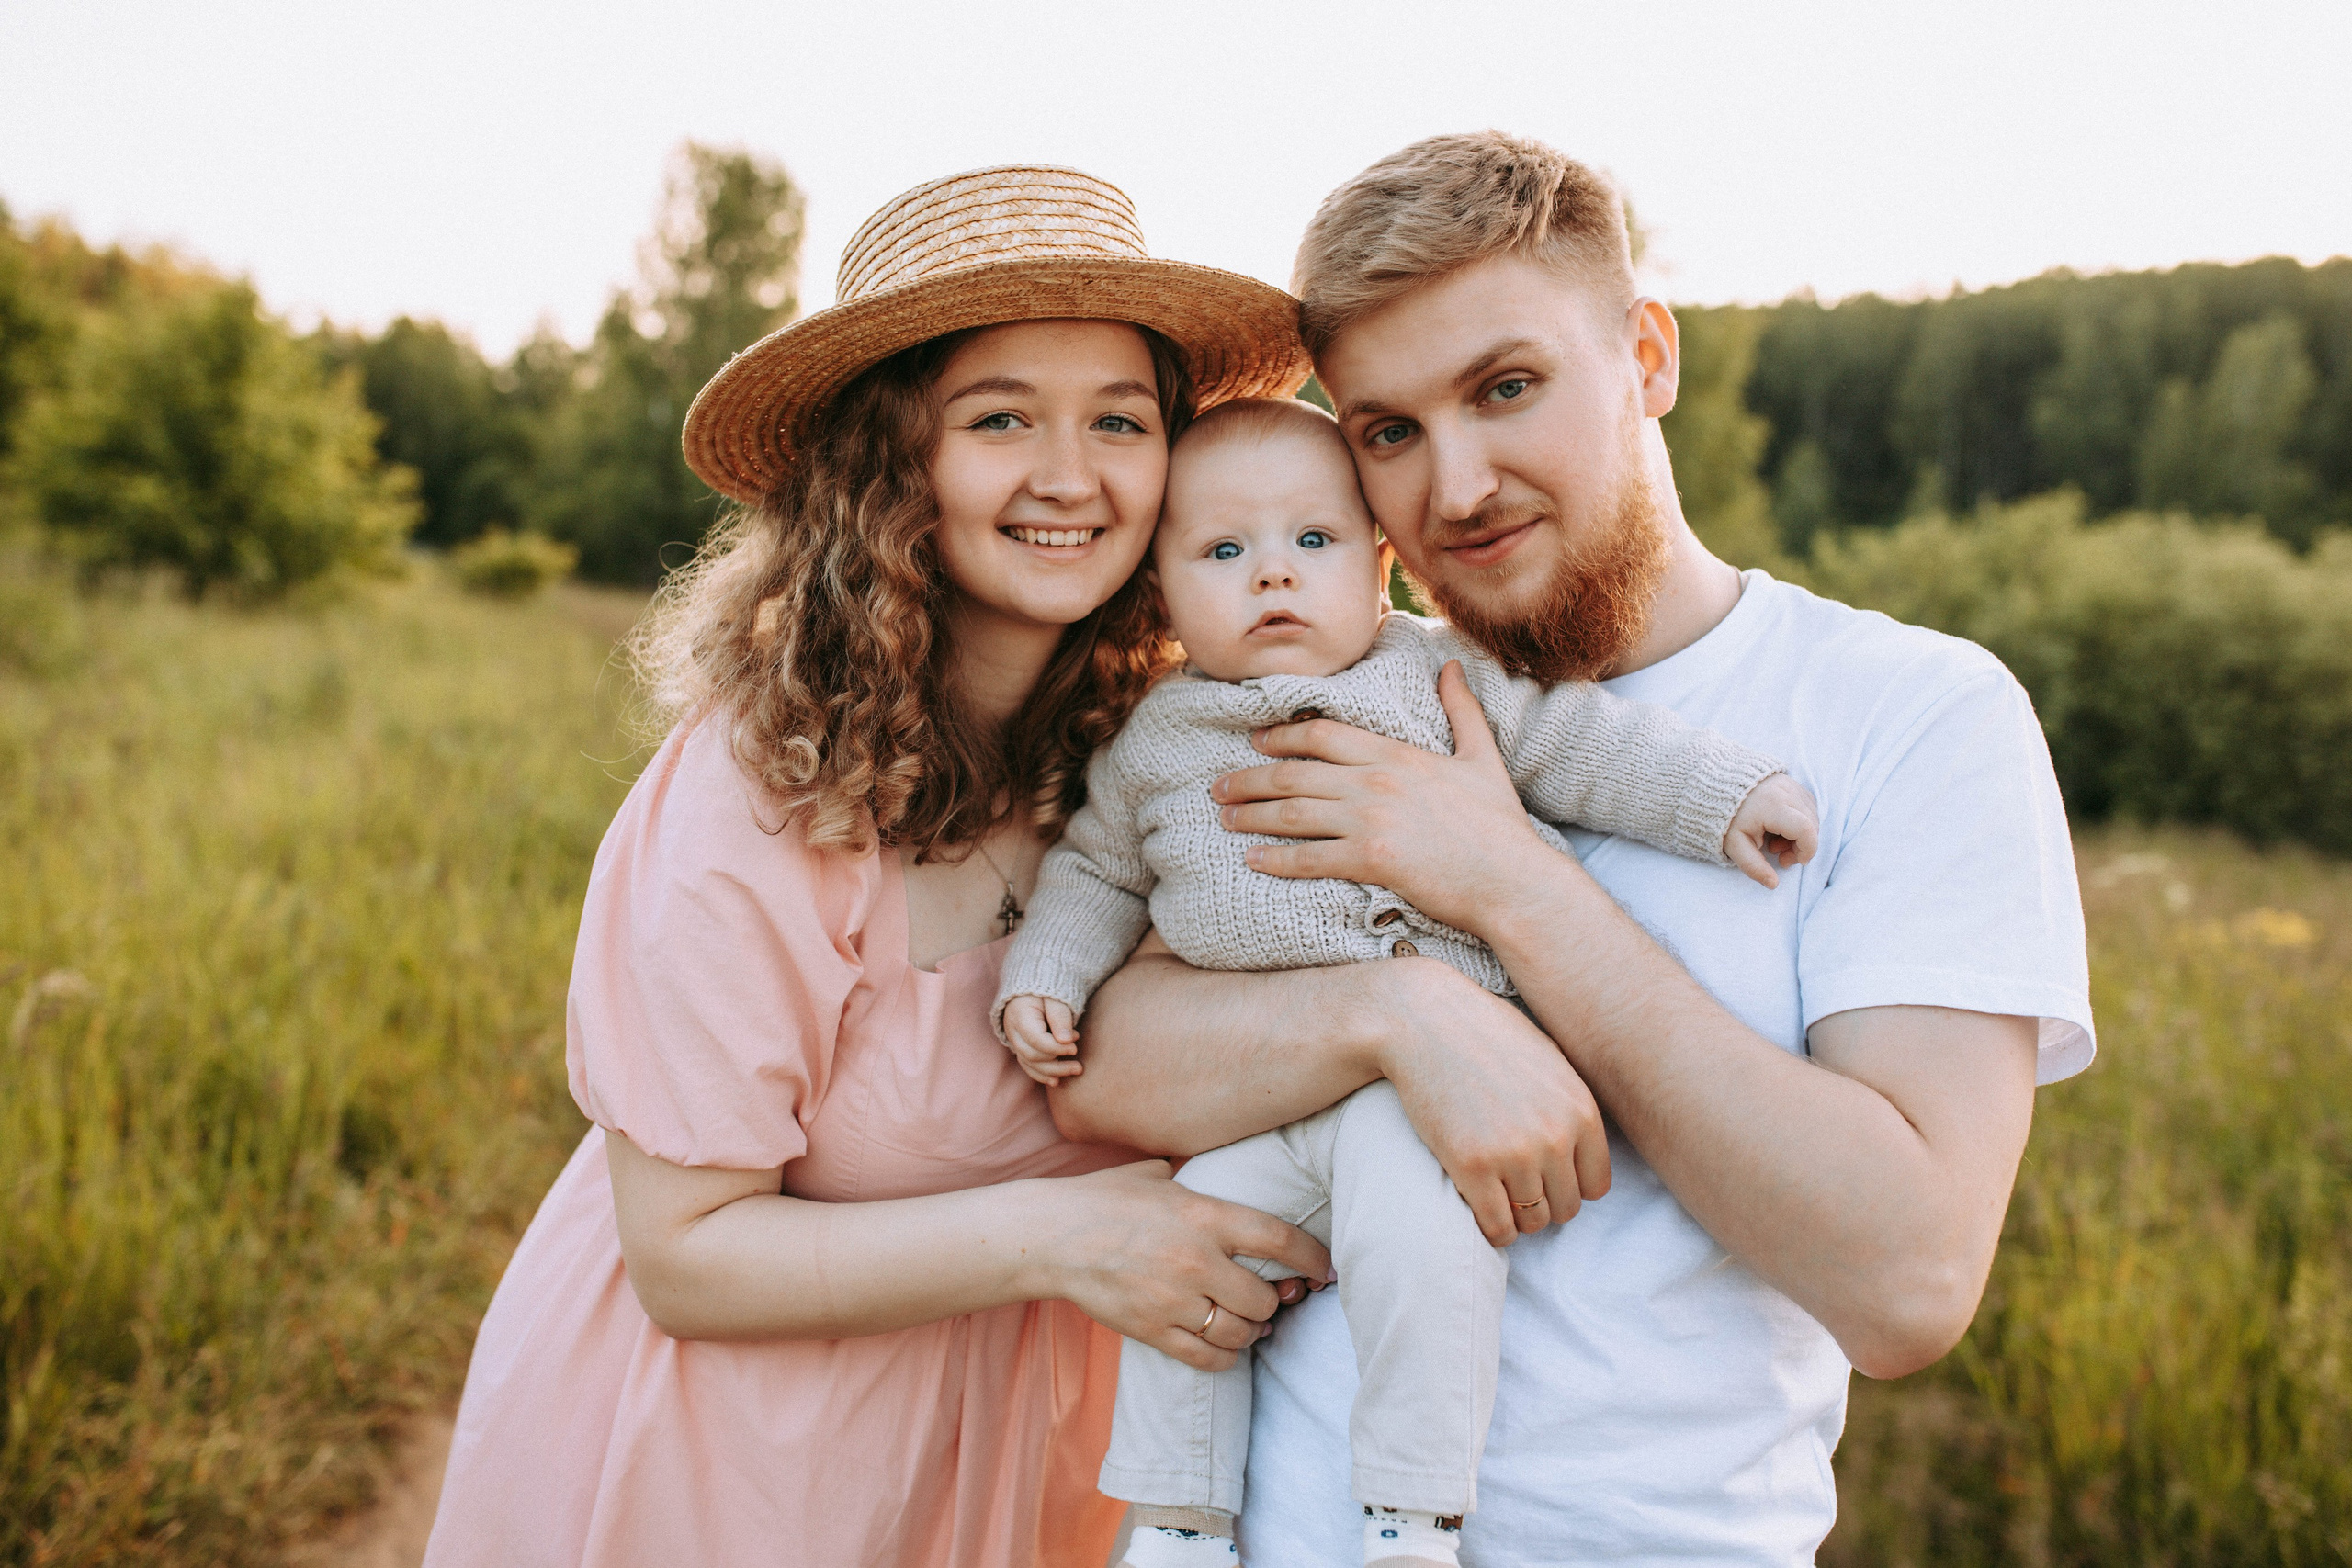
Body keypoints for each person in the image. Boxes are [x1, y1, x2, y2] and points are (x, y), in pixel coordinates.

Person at [1053, 132, 2096, 1567]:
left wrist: (1504, 882)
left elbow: (1906, 1274)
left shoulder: (1907, 716)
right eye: (1389, 431)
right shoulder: (1312, 698)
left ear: (1648, 357)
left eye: (1507, 387)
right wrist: (1399, 1009)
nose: (1459, 482)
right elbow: (1103, 1062)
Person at [420, 164, 1333, 1568]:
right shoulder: (764, 788)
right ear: (890, 456)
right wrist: (1058, 1236)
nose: (1069, 475)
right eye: (999, 418)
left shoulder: (1153, 749)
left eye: (1120, 420)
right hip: (741, 1466)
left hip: (1025, 1464)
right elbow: (686, 1253)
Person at [994, 395, 1817, 1567]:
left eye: (1311, 543)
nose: (1271, 577)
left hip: (1416, 1097)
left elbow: (1581, 746)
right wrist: (1047, 978)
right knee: (1186, 1261)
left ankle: (1408, 1516)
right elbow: (1094, 874)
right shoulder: (1155, 742)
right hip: (1258, 1090)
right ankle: (1177, 1521)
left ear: (1381, 564)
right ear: (1162, 592)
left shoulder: (1435, 677)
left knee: (1423, 1242)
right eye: (1224, 553)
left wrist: (1719, 799)